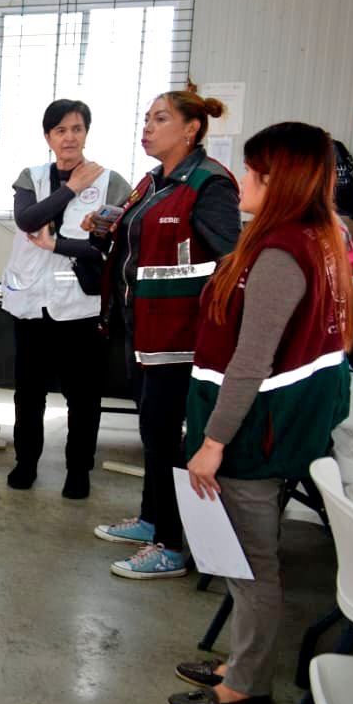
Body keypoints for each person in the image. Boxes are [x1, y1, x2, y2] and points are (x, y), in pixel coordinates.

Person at [169, 122, 352, 704]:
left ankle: (246, 688)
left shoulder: (280, 253)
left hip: (254, 432)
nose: (241, 179)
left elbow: (251, 361)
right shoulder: (315, 237)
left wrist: (213, 442)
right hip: (278, 426)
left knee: (251, 564)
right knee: (250, 557)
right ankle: (242, 663)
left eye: (252, 171)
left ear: (278, 181)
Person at [87, 88, 240, 579]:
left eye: (160, 119)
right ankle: (152, 518)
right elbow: (139, 239)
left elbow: (229, 263)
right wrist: (105, 226)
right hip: (142, 329)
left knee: (165, 437)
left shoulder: (209, 184)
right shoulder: (152, 181)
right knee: (152, 433)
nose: (147, 127)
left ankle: (171, 546)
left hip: (181, 337)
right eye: (146, 118)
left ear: (191, 129)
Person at [1, 99, 132, 499]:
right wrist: (73, 187)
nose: (69, 137)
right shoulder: (32, 177)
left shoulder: (112, 182)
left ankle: (78, 471)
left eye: (77, 129)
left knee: (83, 397)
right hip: (31, 304)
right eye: (60, 130)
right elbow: (27, 220)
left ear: (86, 133)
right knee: (29, 393)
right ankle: (26, 462)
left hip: (81, 307)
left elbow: (110, 247)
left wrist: (61, 244)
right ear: (48, 138)